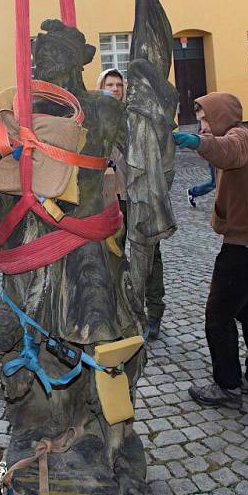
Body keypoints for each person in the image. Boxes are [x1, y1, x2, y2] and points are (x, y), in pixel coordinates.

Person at [172, 92, 248, 409]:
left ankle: (227, 385)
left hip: (243, 247)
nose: (202, 124)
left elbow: (225, 152)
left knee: (218, 317)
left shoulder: (238, 139)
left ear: (220, 117)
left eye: (206, 118)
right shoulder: (243, 138)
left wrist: (195, 142)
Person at [97, 68, 168, 339]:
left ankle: (154, 312)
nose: (115, 89)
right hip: (110, 199)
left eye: (119, 84)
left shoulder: (135, 116)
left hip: (140, 196)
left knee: (150, 255)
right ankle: (119, 312)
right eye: (109, 84)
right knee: (112, 256)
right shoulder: (95, 119)